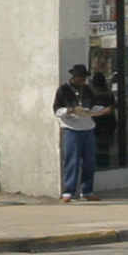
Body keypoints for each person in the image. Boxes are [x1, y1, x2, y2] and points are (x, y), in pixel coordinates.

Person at [53, 63, 110, 203]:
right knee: (72, 161)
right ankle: (68, 191)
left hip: (88, 128)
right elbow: (57, 109)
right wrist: (70, 110)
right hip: (71, 129)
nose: (82, 81)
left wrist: (101, 110)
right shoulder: (63, 90)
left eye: (84, 78)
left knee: (89, 161)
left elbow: (93, 105)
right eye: (80, 78)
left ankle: (87, 190)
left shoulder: (88, 89)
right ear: (74, 77)